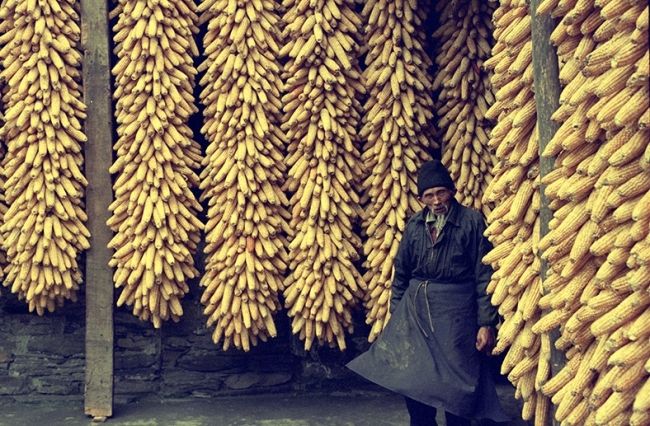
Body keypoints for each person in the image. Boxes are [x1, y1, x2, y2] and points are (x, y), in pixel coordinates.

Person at [348, 160, 509, 426]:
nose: (436, 201)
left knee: (458, 382)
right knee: (415, 377)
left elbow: (484, 275)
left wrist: (485, 323)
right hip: (417, 311)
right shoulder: (415, 225)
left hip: (456, 314)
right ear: (421, 198)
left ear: (452, 191)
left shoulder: (471, 221)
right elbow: (401, 274)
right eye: (429, 195)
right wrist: (397, 316)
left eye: (441, 192)